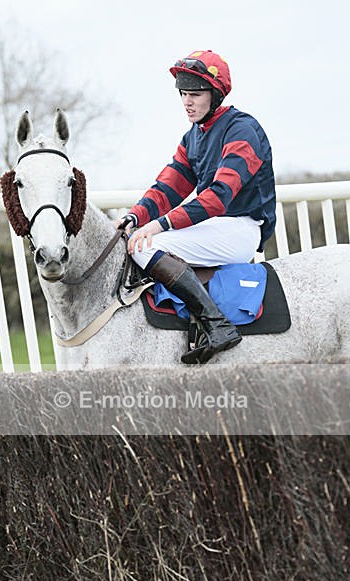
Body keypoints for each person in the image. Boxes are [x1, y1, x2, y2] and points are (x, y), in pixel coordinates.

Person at [116, 50, 276, 364]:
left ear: (215, 95)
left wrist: (156, 225)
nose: (187, 102)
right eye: (183, 94)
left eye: (195, 94)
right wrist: (134, 216)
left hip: (242, 228)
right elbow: (167, 188)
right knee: (135, 238)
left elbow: (217, 197)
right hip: (218, 227)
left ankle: (217, 325)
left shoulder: (242, 130)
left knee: (143, 247)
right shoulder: (193, 137)